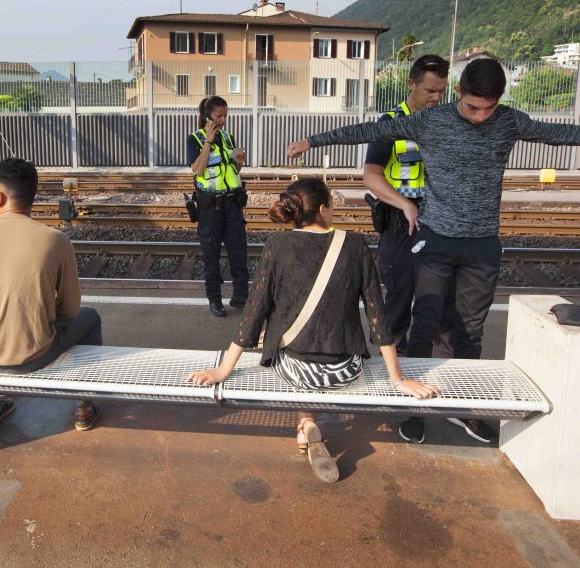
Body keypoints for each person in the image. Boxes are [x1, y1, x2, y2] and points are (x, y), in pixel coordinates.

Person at [287, 58, 580, 446]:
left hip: (482, 245)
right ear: (458, 93)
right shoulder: (429, 121)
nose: (481, 117)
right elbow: (368, 130)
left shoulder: (509, 121)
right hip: (436, 240)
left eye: (489, 108)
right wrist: (313, 142)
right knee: (425, 325)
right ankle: (413, 410)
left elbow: (557, 132)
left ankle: (465, 407)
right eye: (472, 107)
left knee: (469, 331)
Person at [188, 178, 439, 482]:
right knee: (306, 333)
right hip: (344, 370)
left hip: (296, 370)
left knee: (279, 336)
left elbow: (253, 312)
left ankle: (306, 423)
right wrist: (398, 380)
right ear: (323, 209)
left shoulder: (277, 245)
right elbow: (377, 316)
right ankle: (306, 426)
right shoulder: (355, 243)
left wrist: (222, 371)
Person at [0, 158, 102, 432]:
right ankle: (84, 405)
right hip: (33, 356)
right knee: (90, 318)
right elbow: (70, 310)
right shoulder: (55, 239)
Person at [363, 55, 457, 360]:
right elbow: (371, 175)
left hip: (439, 223)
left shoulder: (446, 122)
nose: (435, 97)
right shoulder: (390, 123)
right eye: (430, 90)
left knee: (441, 301)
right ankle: (396, 372)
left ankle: (440, 372)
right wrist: (405, 204)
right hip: (400, 224)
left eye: (441, 91)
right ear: (411, 84)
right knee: (400, 299)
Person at [187, 95, 249, 317]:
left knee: (239, 252)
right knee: (211, 255)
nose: (223, 120)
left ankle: (241, 296)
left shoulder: (228, 137)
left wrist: (239, 160)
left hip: (232, 204)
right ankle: (215, 299)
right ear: (207, 116)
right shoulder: (195, 139)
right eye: (219, 115)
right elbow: (198, 170)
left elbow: (234, 172)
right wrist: (208, 141)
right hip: (210, 207)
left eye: (225, 115)